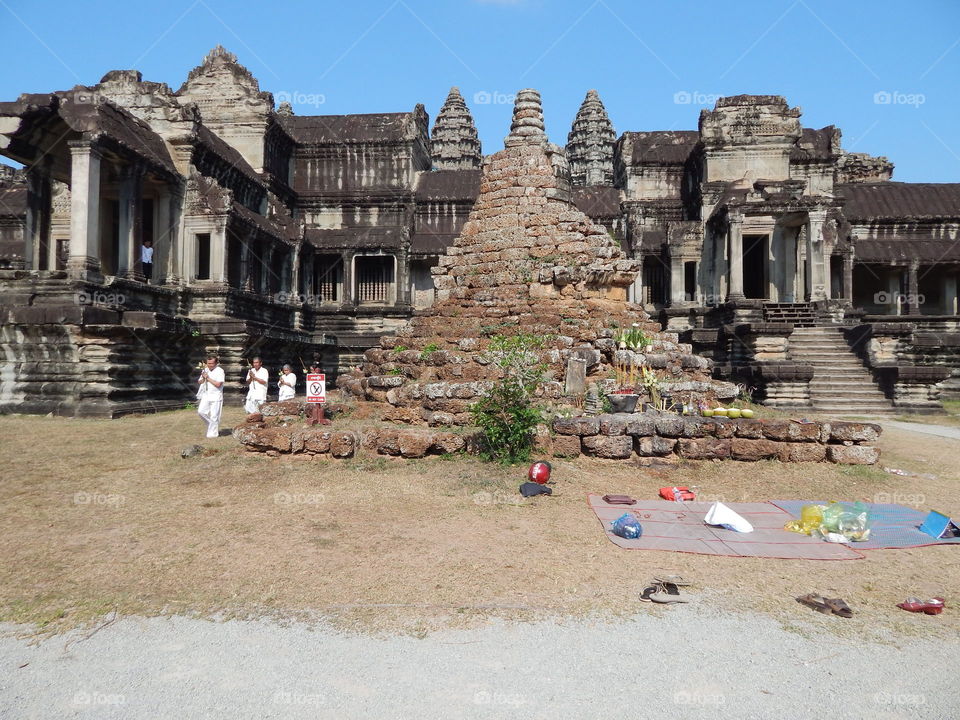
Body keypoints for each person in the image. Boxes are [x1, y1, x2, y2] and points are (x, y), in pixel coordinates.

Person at [197, 355, 225, 439]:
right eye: (208, 363)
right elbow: (199, 381)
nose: (209, 365)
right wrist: (203, 378)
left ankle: (213, 434)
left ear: (216, 363)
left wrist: (208, 378)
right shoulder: (205, 369)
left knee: (214, 416)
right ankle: (211, 425)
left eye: (212, 363)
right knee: (201, 412)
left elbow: (218, 384)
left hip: (216, 396)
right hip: (206, 395)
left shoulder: (220, 371)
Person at [305, 360, 331, 426]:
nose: (311, 371)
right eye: (310, 370)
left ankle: (320, 419)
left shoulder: (319, 376)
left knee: (319, 406)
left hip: (318, 390)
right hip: (314, 390)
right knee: (315, 406)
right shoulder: (310, 376)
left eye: (312, 370)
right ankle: (315, 418)